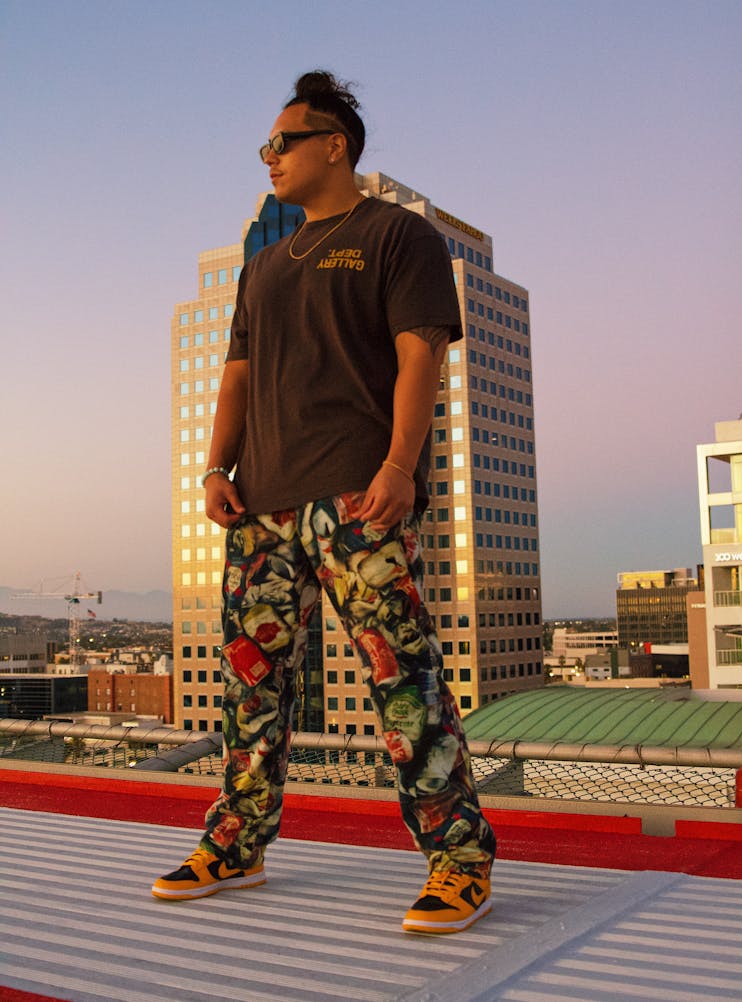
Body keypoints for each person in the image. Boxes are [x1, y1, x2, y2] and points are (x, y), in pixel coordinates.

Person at [152, 70, 497, 934]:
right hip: (261, 507)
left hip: (357, 497)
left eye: (282, 142)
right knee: (251, 690)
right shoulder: (264, 264)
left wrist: (401, 465)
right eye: (264, 147)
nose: (267, 158)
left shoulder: (395, 237)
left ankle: (459, 860)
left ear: (332, 144)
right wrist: (214, 469)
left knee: (402, 681)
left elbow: (421, 354)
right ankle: (237, 844)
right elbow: (233, 378)